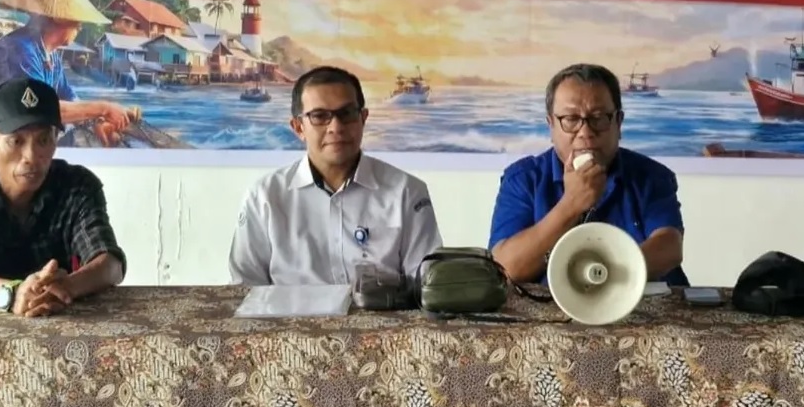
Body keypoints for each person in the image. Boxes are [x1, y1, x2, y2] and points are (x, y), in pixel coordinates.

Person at [228, 65, 442, 285]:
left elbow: (428, 286)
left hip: (380, 308)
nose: (336, 127)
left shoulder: (407, 192)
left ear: (363, 119)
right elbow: (245, 288)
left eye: (346, 114)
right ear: (298, 128)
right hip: (290, 309)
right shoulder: (265, 197)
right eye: (320, 116)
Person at [488, 63, 688, 286]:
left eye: (599, 118)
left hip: (642, 302)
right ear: (551, 125)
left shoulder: (652, 176)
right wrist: (570, 205)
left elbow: (669, 246)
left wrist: (599, 274)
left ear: (618, 123)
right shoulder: (523, 180)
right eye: (571, 119)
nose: (585, 132)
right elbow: (506, 268)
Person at [0, 78, 127, 315]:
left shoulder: (76, 186)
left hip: (58, 322)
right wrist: (10, 293)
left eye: (43, 140)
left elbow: (111, 264)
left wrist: (66, 287)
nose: (31, 156)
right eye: (16, 141)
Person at [0, 0, 133, 147]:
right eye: (77, 22)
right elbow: (38, 106)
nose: (80, 27)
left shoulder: (51, 55)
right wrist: (102, 108)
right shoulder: (20, 49)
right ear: (59, 18)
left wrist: (96, 121)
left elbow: (69, 97)